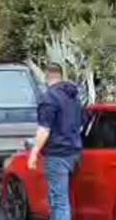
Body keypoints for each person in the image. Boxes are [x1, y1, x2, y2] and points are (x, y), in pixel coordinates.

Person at [29, 64, 85, 220]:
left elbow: (44, 129)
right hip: (75, 152)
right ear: (60, 76)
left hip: (57, 154)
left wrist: (34, 152)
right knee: (66, 196)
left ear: (46, 77)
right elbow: (82, 122)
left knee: (59, 200)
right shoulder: (74, 96)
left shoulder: (49, 98)